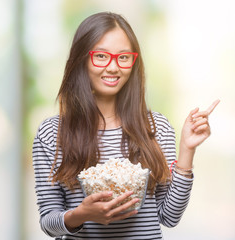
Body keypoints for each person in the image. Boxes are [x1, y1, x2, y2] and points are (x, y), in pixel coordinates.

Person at [32, 12, 219, 239]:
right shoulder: (52, 133)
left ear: (133, 62)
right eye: (101, 56)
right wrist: (81, 214)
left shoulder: (156, 127)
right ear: (81, 58)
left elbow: (169, 216)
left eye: (123, 57)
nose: (113, 67)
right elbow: (48, 222)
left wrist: (187, 150)